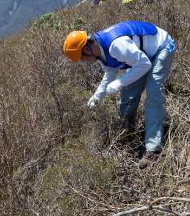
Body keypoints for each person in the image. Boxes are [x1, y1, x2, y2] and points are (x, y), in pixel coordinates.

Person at [63, 21, 176, 168]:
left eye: (82, 58)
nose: (85, 62)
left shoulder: (116, 45)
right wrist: (98, 96)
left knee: (153, 95)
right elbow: (110, 70)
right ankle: (127, 135)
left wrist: (119, 82)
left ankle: (153, 150)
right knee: (128, 95)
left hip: (162, 47)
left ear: (87, 48)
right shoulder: (99, 50)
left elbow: (144, 64)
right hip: (142, 57)